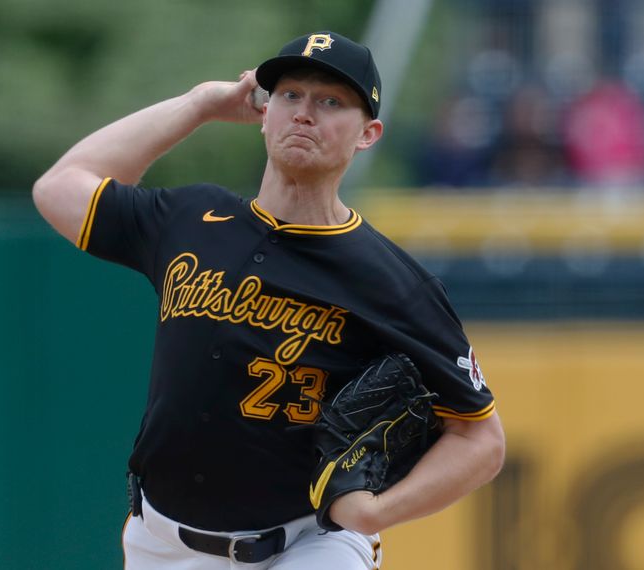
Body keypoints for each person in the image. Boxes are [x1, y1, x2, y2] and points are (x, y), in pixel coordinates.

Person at [33, 31, 505, 570]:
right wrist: (200, 104)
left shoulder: (392, 281)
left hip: (308, 545)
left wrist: (376, 514)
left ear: (368, 133)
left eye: (331, 102)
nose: (305, 113)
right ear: (264, 112)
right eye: (290, 95)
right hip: (161, 545)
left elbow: (481, 439)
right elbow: (60, 188)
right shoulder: (192, 219)